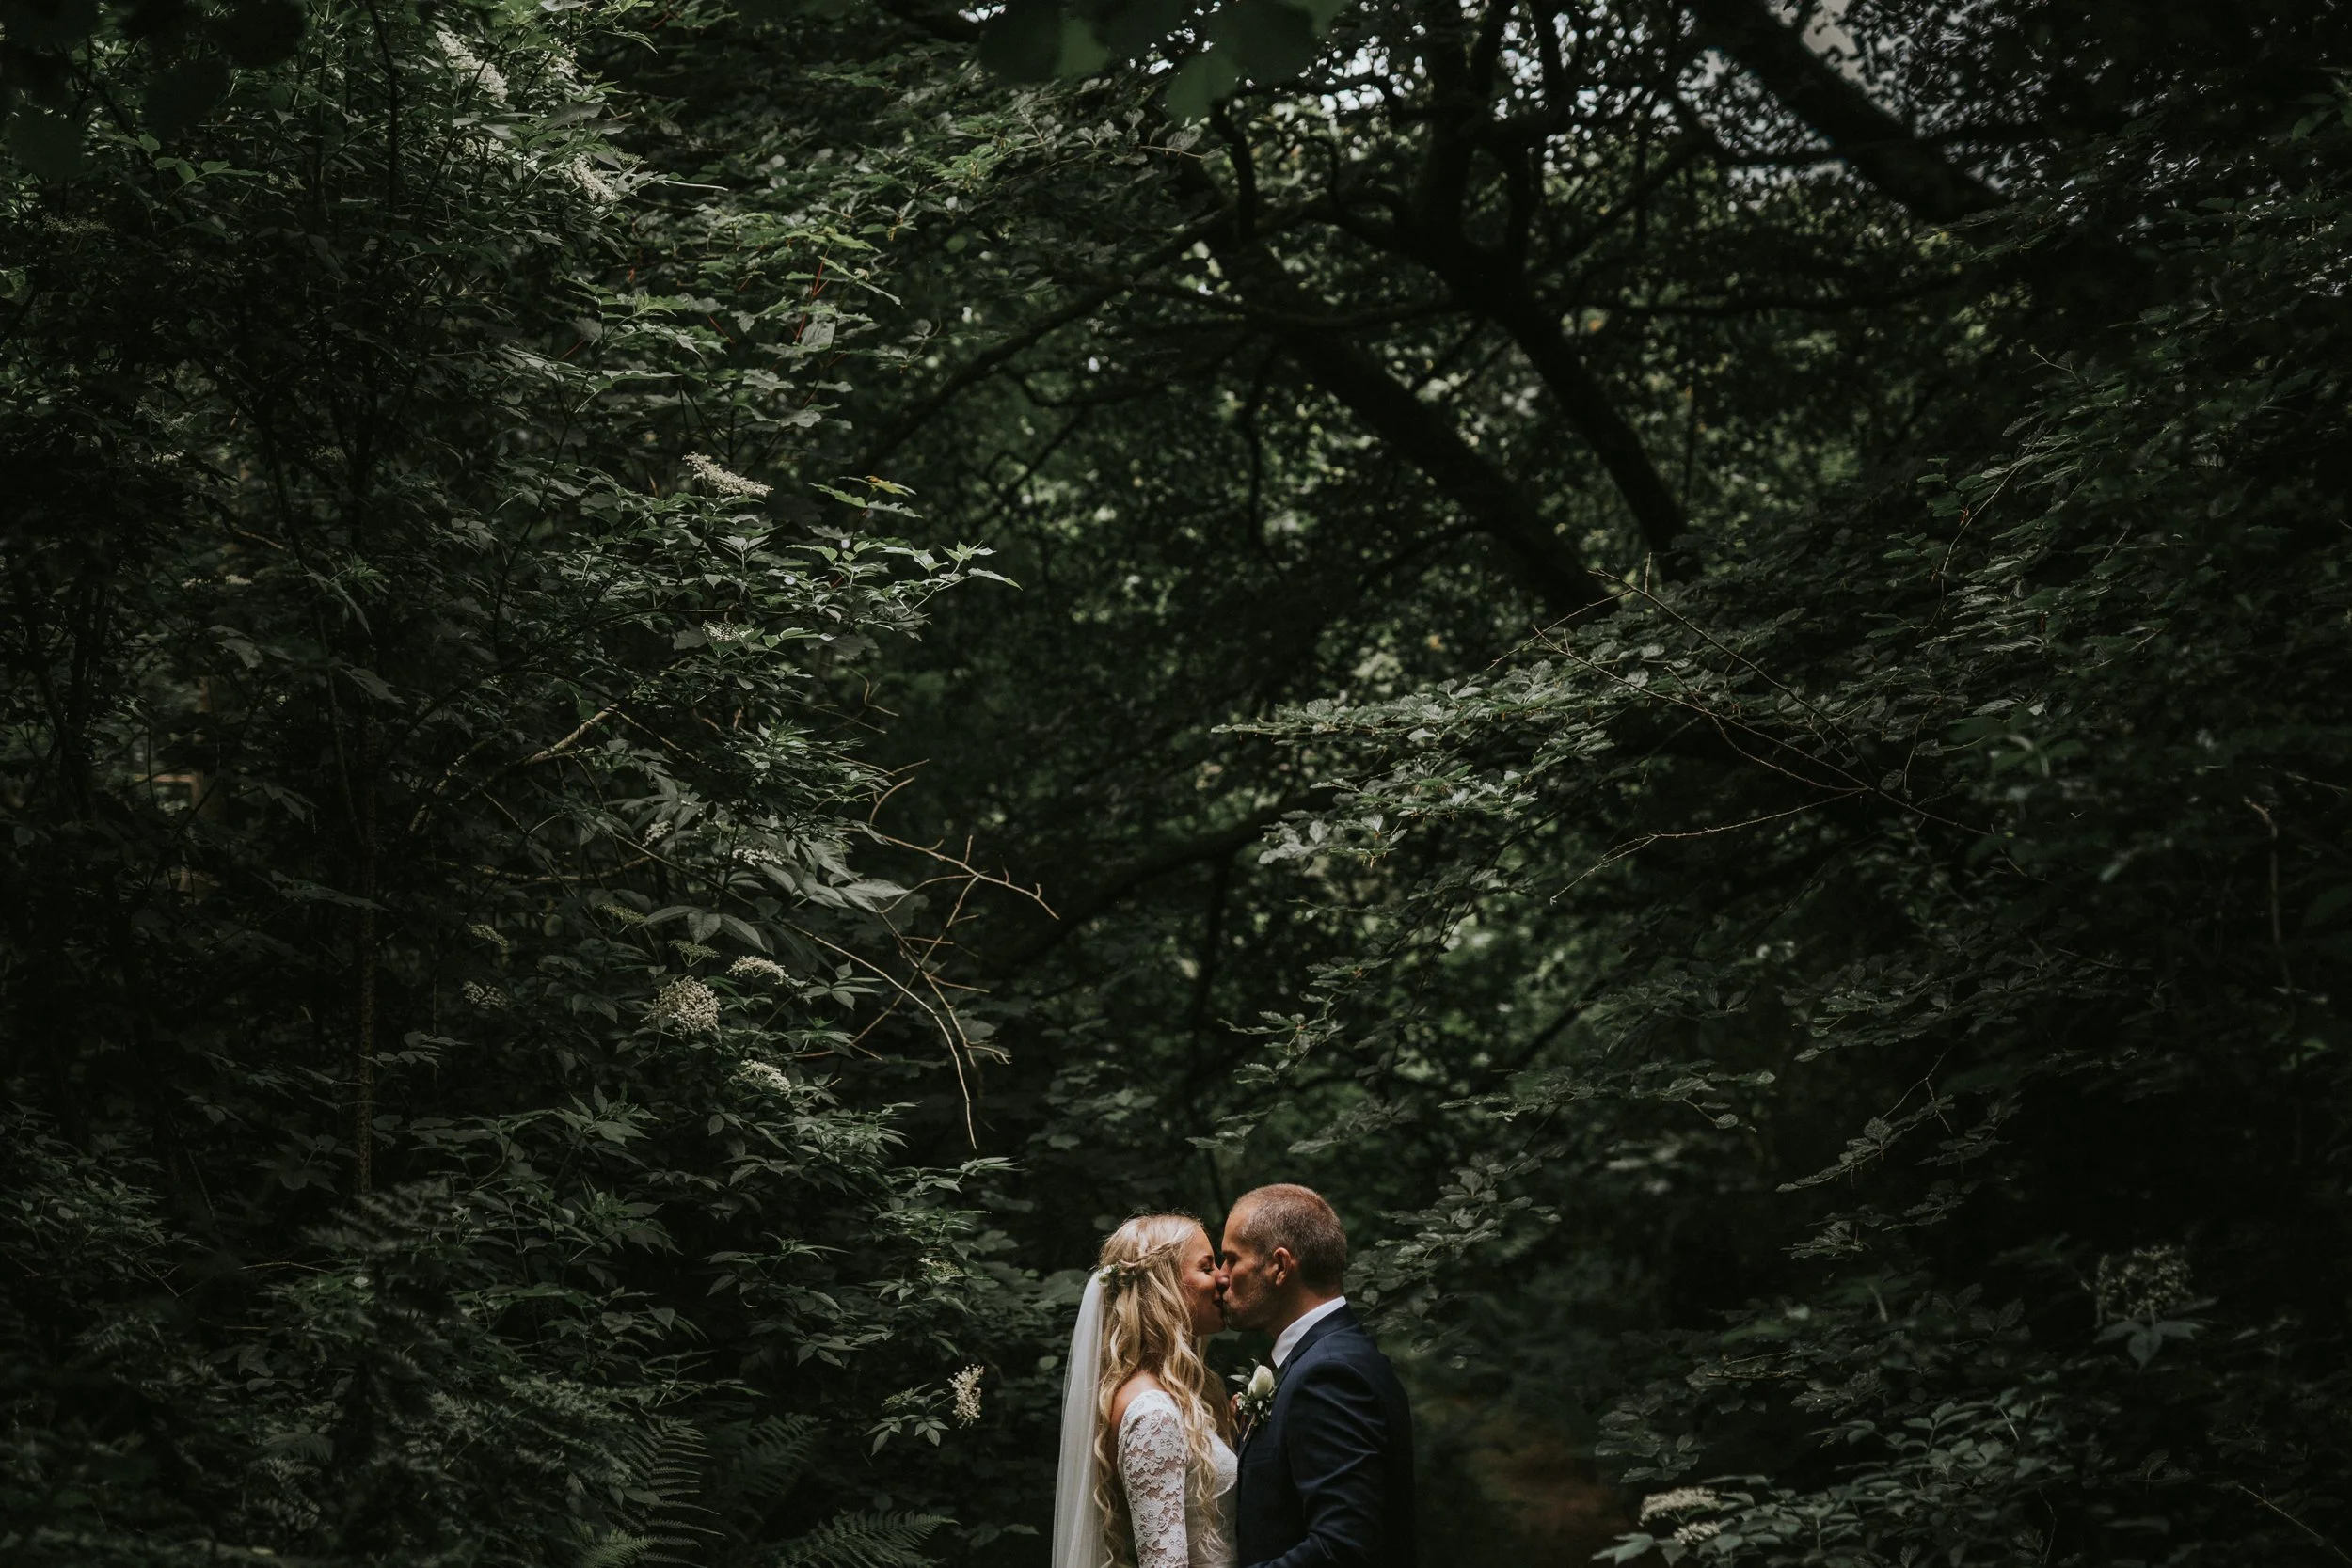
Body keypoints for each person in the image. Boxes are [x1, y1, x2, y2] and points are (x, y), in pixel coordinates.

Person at [1217, 1184, 1416, 1568]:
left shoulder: (1330, 1375)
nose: (1222, 1276)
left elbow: (1342, 1550)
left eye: (1231, 1259)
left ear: (1279, 1266)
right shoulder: (1327, 1359)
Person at [1053, 1213, 1239, 1568]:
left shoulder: (1174, 1395)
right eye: (1206, 1266)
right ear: (1163, 1284)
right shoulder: (1152, 1413)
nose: (1222, 1278)